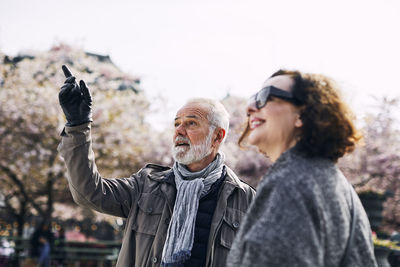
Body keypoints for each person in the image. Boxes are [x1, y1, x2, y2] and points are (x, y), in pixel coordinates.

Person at [57, 65, 255, 267]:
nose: (179, 131)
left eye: (191, 123)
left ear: (217, 136)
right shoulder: (147, 185)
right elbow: (89, 192)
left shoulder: (247, 200)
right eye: (176, 123)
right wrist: (78, 125)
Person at [227, 69, 377, 266]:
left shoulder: (292, 183)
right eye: (254, 97)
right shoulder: (328, 181)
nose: (250, 107)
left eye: (265, 96)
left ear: (302, 115)